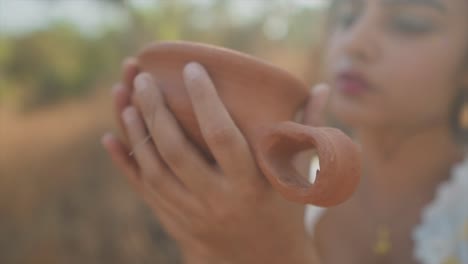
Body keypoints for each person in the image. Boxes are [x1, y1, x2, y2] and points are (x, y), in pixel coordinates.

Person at [101, 0, 468, 263]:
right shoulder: (270, 197)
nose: (354, 42)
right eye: (347, 17)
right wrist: (207, 246)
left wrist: (276, 253)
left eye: (410, 22)